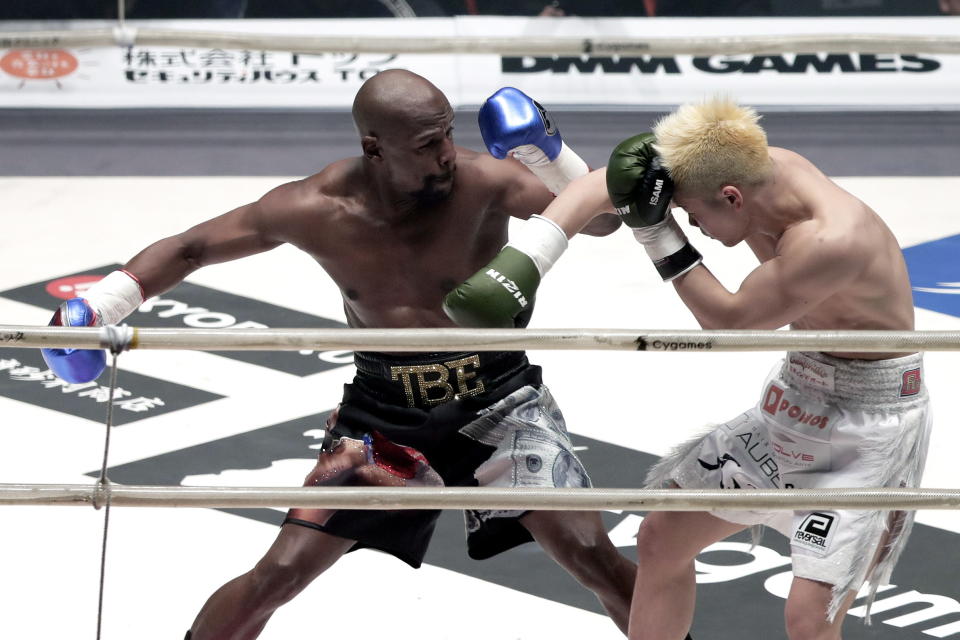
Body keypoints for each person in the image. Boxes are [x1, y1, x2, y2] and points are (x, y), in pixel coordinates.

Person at [39, 70, 639, 640]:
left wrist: (547, 151)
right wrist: (100, 307)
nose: (447, 155)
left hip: (500, 399)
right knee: (277, 576)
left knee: (595, 559)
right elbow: (192, 247)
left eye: (448, 136)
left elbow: (600, 220)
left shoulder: (485, 183)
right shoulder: (314, 208)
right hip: (384, 417)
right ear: (375, 149)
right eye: (428, 145)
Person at [445, 96, 932, 640]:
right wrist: (525, 260)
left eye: (695, 216)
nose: (693, 226)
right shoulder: (740, 166)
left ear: (731, 196)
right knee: (662, 538)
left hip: (867, 427)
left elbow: (732, 322)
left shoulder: (831, 239)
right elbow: (606, 187)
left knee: (809, 620)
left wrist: (657, 233)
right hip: (796, 395)